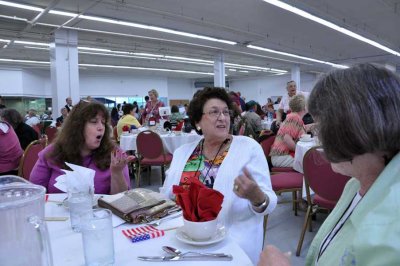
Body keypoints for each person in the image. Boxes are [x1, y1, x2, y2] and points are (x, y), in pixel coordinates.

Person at [259, 63, 400, 265]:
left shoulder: (393, 228)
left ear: (356, 127)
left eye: (324, 125)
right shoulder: (355, 184)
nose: (321, 135)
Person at [161, 87, 277, 265]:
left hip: (230, 246)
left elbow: (268, 202)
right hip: (183, 242)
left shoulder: (248, 148)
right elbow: (166, 197)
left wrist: (257, 197)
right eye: (214, 112)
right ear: (198, 121)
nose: (222, 117)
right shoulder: (182, 152)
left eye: (225, 112)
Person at [30, 100, 133, 194]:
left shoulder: (115, 155)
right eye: (94, 122)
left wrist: (117, 172)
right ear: (77, 126)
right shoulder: (52, 152)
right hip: (57, 214)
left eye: (103, 122)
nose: (101, 127)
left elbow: (121, 201)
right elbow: (35, 193)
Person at [269, 94, 307, 167]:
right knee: (310, 161)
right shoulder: (294, 118)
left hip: (280, 155)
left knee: (310, 159)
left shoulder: (292, 116)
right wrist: (300, 151)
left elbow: (299, 130)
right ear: (304, 107)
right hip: (281, 157)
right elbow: (287, 139)